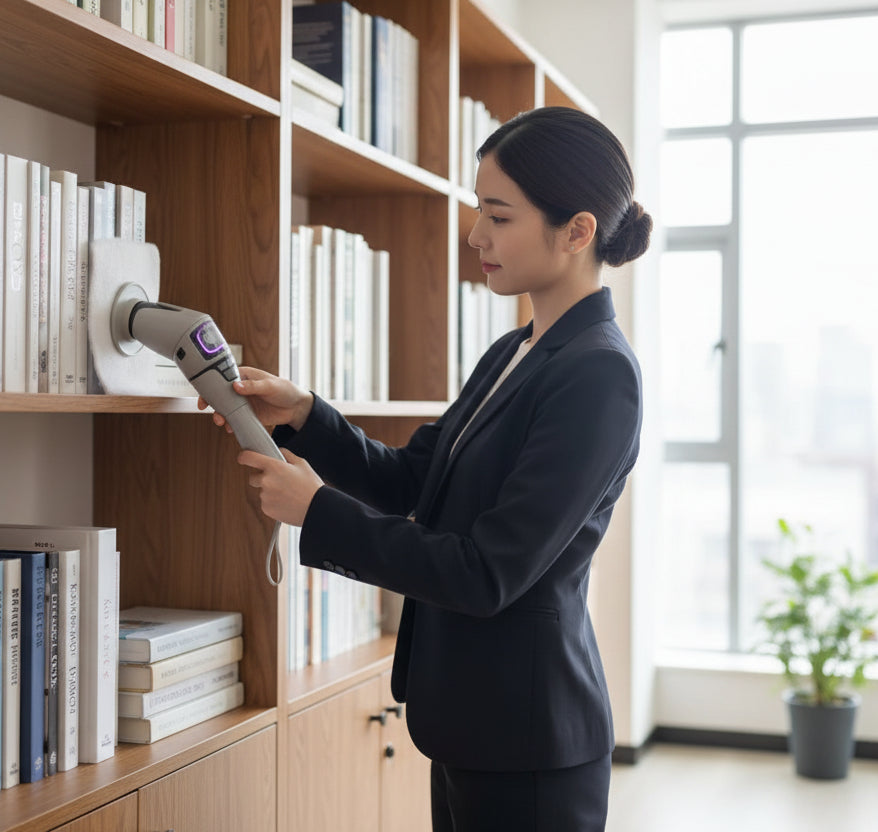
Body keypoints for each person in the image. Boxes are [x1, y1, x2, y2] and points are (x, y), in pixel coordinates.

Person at [203, 106, 652, 831]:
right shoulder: (515, 351)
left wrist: (316, 511)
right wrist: (306, 415)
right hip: (472, 722)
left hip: (529, 741)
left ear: (577, 232)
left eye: (499, 216)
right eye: (480, 209)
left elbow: (487, 572)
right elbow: (416, 479)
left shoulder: (600, 374)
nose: (476, 234)